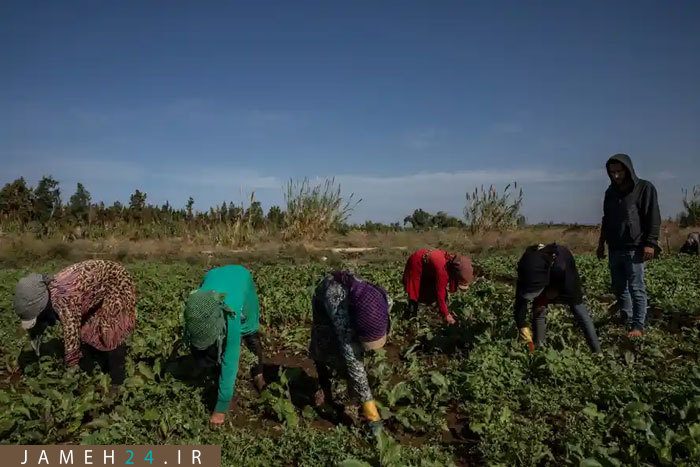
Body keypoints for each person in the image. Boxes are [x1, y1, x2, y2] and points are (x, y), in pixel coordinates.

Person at [13, 260, 136, 388]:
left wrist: (71, 371)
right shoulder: (47, 292)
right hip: (97, 283)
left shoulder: (64, 299)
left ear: (42, 306)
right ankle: (96, 360)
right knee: (87, 328)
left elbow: (71, 332)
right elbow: (40, 324)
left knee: (111, 331)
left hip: (117, 281)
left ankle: (117, 380)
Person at [310, 271, 392, 434]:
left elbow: (384, 314)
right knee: (324, 348)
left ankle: (353, 398)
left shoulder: (383, 299)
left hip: (353, 310)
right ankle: (327, 394)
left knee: (354, 361)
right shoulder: (336, 302)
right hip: (325, 309)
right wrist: (372, 413)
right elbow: (352, 358)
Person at [183, 265, 266, 427]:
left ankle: (259, 374)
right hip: (213, 276)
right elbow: (191, 336)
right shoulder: (194, 307)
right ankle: (209, 366)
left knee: (250, 332)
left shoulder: (231, 315)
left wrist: (220, 409)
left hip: (241, 278)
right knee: (204, 345)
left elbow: (231, 361)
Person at [597, 153, 661, 338]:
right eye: (612, 172)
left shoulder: (644, 188)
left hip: (635, 247)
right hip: (615, 248)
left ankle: (638, 326)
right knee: (619, 287)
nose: (616, 175)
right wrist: (601, 244)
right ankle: (627, 317)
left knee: (636, 287)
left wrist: (650, 243)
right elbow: (606, 220)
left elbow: (653, 217)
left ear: (628, 169)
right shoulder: (610, 193)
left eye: (619, 171)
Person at [515, 244, 601, 354]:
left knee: (579, 310)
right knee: (538, 308)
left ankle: (597, 352)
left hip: (563, 272)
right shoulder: (526, 269)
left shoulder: (562, 268)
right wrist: (522, 326)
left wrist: (552, 293)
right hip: (543, 273)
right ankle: (539, 348)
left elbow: (570, 295)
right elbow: (520, 303)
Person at [402, 249, 474, 325]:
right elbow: (440, 294)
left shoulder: (456, 265)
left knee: (432, 291)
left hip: (430, 267)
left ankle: (436, 310)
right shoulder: (443, 271)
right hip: (416, 263)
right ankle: (411, 316)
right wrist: (446, 315)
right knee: (416, 293)